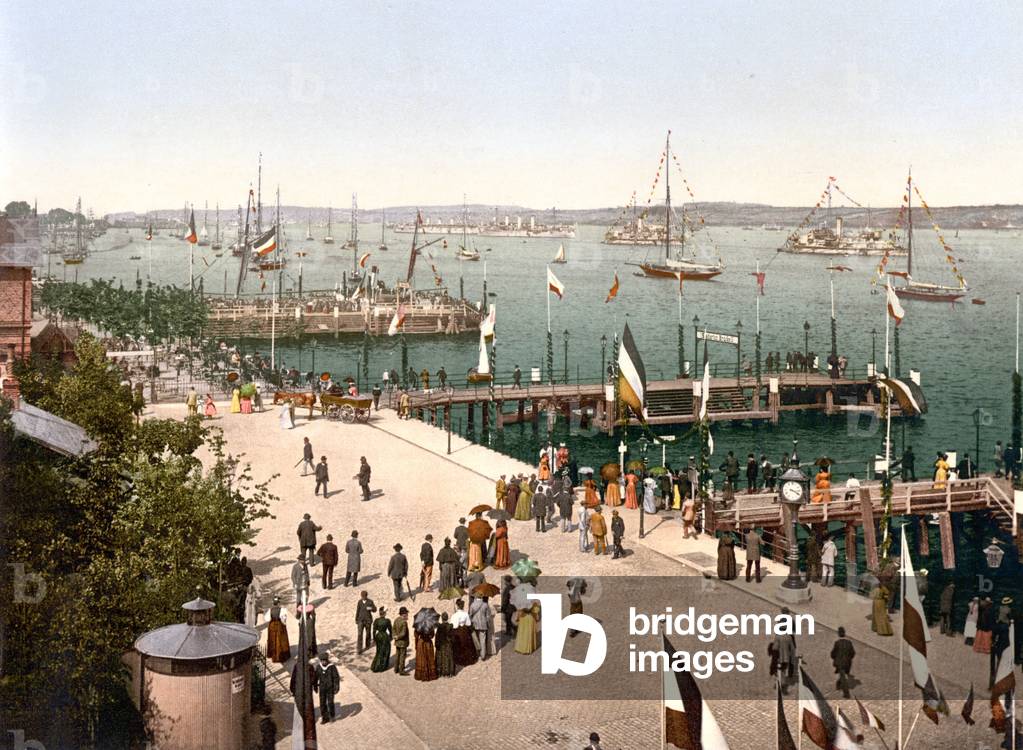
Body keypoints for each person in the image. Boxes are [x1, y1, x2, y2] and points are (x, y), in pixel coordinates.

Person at [313, 652, 341, 723]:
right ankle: (325, 717)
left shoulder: (332, 667)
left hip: (330, 688)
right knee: (322, 703)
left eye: (324, 660)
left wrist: (336, 687)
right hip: (322, 688)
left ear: (327, 660)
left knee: (330, 702)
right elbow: (315, 678)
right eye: (322, 661)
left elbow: (336, 678)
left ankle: (332, 716)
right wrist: (315, 687)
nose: (323, 662)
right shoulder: (318, 667)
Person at [451, 599, 478, 666]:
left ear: (457, 606)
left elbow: (454, 626)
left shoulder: (455, 615)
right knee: (467, 644)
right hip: (465, 631)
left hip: (458, 631)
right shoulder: (465, 614)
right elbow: (468, 624)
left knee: (458, 645)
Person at [830, 627, 856, 698]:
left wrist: (834, 658)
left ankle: (846, 693)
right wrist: (849, 659)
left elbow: (833, 653)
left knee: (842, 676)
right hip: (847, 662)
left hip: (840, 662)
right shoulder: (849, 643)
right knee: (842, 675)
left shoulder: (837, 643)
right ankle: (838, 685)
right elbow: (853, 653)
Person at [265, 596, 290, 663]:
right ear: (278, 603)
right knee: (281, 640)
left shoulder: (270, 610)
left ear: (273, 603)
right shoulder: (282, 610)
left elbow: (267, 619)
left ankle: (274, 655)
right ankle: (281, 656)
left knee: (273, 640)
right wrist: (284, 623)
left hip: (272, 626)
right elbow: (283, 619)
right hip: (279, 625)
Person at [470, 596, 495, 660]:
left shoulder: (472, 605)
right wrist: (489, 625)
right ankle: (483, 655)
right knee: (482, 640)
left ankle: (477, 653)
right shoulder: (485, 605)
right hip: (483, 624)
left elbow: (470, 615)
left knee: (476, 640)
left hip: (475, 624)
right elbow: (488, 617)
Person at [370, 607, 392, 672]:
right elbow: (390, 629)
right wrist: (391, 637)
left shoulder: (376, 620)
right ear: (384, 613)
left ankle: (375, 665)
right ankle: (382, 666)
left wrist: (374, 638)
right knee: (385, 651)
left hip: (378, 636)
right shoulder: (387, 621)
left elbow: (374, 630)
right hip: (384, 636)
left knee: (379, 651)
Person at [435, 612, 456, 677]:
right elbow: (453, 637)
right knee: (449, 657)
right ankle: (450, 672)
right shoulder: (450, 626)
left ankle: (441, 672)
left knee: (441, 658)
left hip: (441, 645)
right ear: (447, 618)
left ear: (442, 618)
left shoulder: (440, 627)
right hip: (448, 644)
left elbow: (437, 637)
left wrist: (436, 644)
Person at [392, 607, 410, 675]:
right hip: (402, 642)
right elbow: (404, 633)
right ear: (404, 614)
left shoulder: (396, 620)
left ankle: (396, 668)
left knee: (397, 655)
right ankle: (401, 670)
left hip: (397, 642)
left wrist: (394, 636)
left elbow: (393, 629)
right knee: (402, 656)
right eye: (406, 613)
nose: (407, 614)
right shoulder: (404, 622)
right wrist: (398, 636)